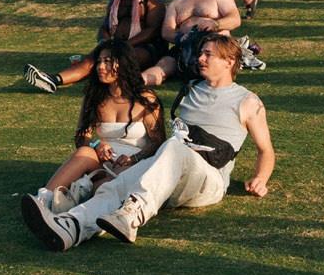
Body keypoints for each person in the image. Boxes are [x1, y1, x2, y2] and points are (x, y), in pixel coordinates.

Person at [20, 33, 275, 251]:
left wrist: (260, 178)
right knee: (117, 186)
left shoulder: (248, 102)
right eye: (201, 53)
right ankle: (71, 227)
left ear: (229, 61)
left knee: (172, 147)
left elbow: (266, 151)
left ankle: (133, 214)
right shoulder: (190, 90)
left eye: (208, 54)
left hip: (208, 179)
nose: (200, 59)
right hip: (169, 172)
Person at [23, 41, 164, 216]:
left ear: (123, 63)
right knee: (84, 152)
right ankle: (43, 199)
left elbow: (158, 142)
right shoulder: (94, 96)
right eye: (98, 62)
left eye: (107, 61)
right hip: (101, 162)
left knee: (120, 178)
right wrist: (96, 144)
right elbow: (81, 137)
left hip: (132, 164)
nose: (100, 67)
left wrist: (133, 159)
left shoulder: (146, 98)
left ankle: (77, 194)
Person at [23, 0, 166, 93]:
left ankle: (114, 83)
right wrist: (104, 43)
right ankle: (52, 80)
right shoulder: (115, 0)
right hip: (115, 45)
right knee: (91, 60)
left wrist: (125, 45)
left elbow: (152, 31)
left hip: (145, 48)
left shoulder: (152, 1)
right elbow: (105, 26)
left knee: (118, 60)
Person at [139, 0, 261, 87]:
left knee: (212, 68)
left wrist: (215, 24)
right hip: (185, 46)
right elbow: (166, 30)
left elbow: (235, 19)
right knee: (163, 66)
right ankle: (136, 82)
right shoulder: (176, 4)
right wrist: (179, 37)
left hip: (215, 46)